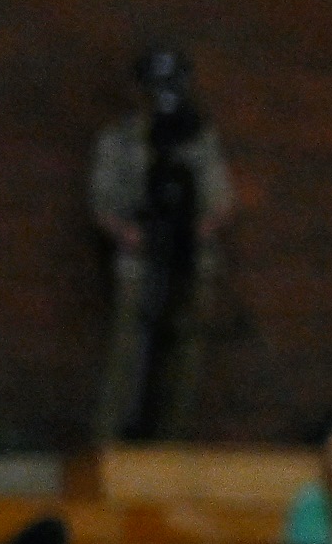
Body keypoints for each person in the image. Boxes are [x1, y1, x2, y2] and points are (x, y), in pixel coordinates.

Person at [90, 45, 232, 444]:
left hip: (190, 258)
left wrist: (190, 231)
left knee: (186, 346)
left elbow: (220, 202)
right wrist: (132, 233)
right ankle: (111, 437)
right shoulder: (120, 140)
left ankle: (172, 437)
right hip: (139, 256)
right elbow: (103, 204)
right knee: (128, 347)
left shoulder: (199, 138)